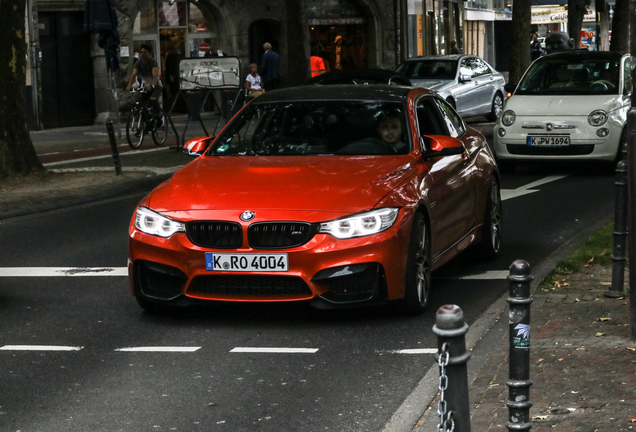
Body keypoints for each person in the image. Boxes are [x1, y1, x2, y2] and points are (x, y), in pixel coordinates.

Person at [126, 44, 163, 124]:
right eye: (141, 52)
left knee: (153, 99)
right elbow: (133, 74)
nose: (142, 54)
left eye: (145, 52)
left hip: (156, 85)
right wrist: (129, 85)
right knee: (140, 103)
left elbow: (155, 75)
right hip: (145, 86)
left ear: (149, 53)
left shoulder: (153, 62)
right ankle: (146, 121)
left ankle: (159, 114)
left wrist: (152, 85)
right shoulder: (138, 63)